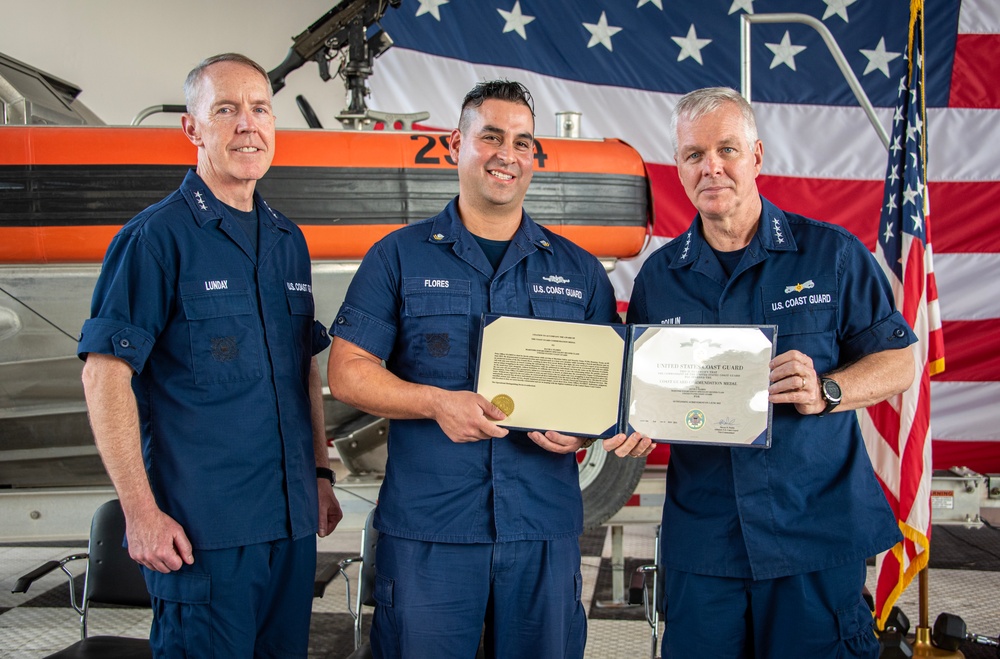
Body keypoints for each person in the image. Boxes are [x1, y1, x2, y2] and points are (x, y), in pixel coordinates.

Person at [327, 79, 652, 658]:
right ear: (457, 143)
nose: (508, 154)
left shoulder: (579, 272)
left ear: (535, 157)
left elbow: (611, 391)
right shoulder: (397, 257)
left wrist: (581, 430)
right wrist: (434, 402)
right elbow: (348, 370)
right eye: (492, 136)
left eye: (523, 142)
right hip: (431, 528)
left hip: (541, 529)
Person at [615, 87, 917, 658]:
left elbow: (900, 361)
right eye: (693, 155)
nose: (712, 167)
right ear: (678, 168)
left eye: (727, 149)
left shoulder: (830, 255)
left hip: (815, 535)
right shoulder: (659, 279)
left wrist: (829, 390)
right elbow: (642, 395)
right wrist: (630, 423)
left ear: (756, 157)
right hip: (705, 544)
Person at [79, 53, 342, 657]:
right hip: (203, 535)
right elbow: (104, 375)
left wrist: (321, 476)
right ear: (192, 128)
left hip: (292, 527)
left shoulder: (287, 241)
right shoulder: (154, 239)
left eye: (259, 109)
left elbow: (304, 368)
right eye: (225, 110)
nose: (247, 124)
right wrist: (139, 514)